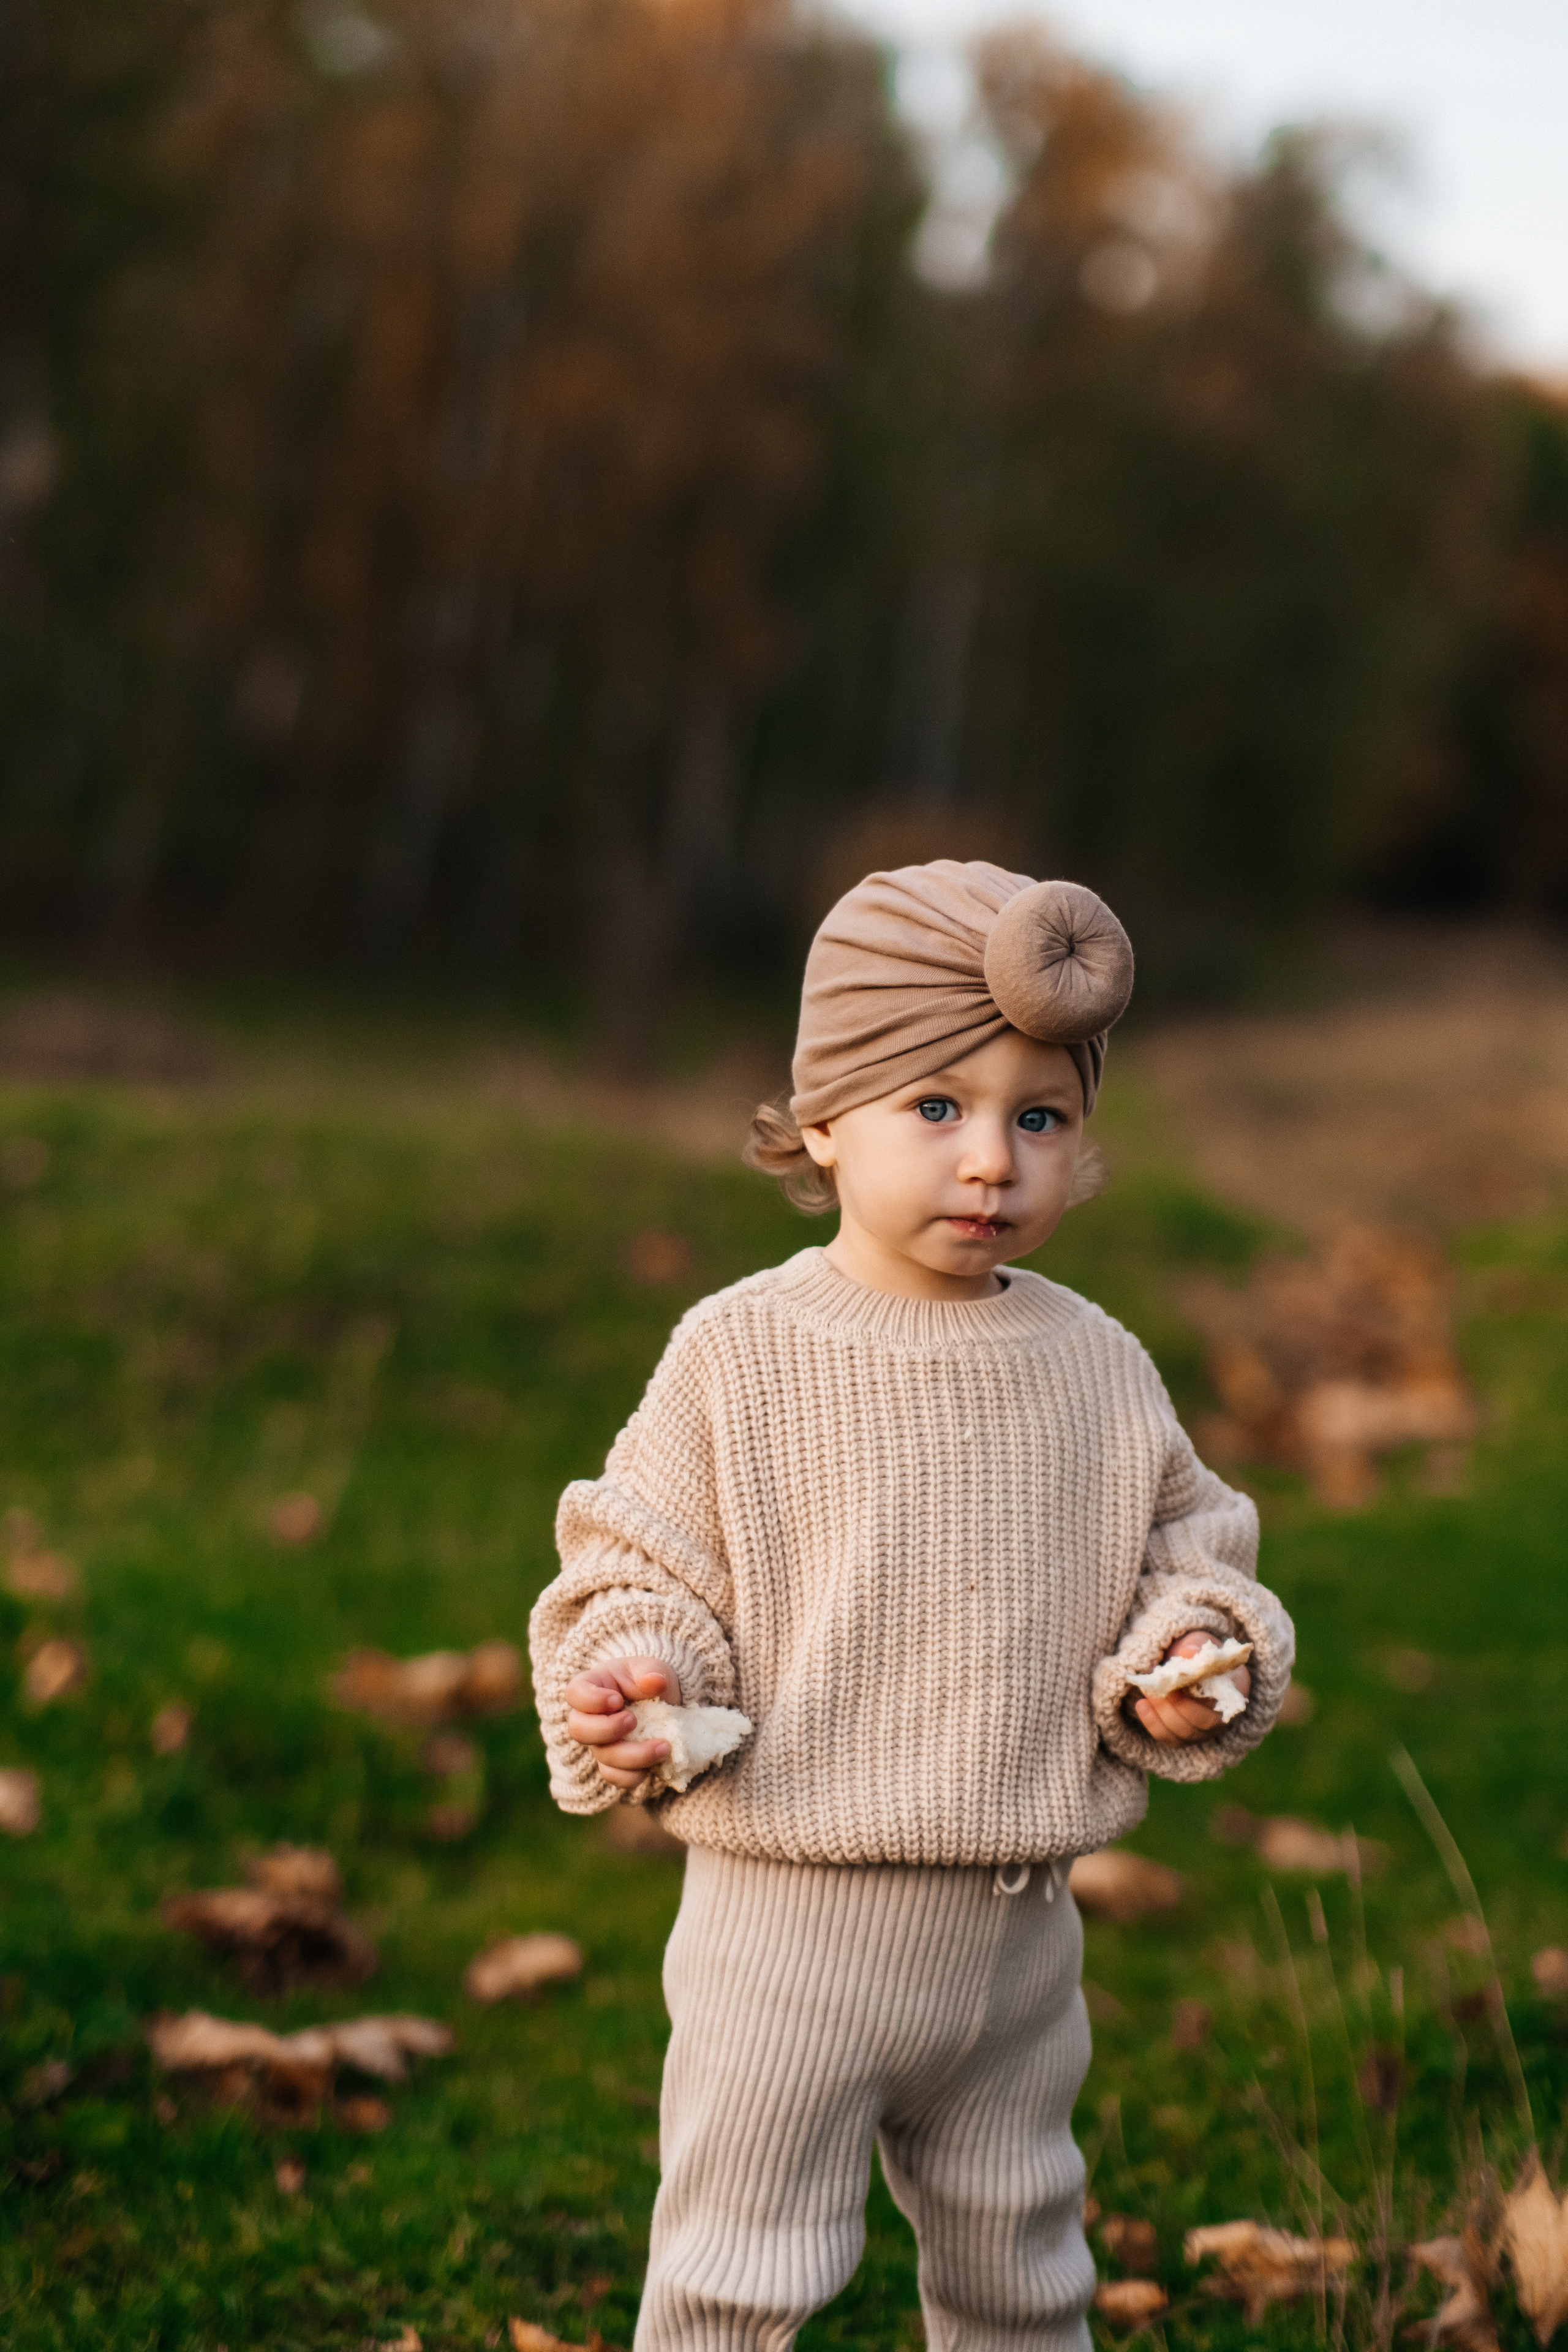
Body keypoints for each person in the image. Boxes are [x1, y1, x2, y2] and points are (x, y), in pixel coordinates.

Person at [529, 861, 1294, 2352]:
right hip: (788, 1935)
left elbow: (1193, 1549)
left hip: (1015, 1945)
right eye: (934, 1108)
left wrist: (1185, 1654)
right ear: (820, 1120)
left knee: (1026, 2273)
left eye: (1039, 1117)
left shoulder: (1095, 1363)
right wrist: (639, 1670)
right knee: (735, 2279)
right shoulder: (741, 1353)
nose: (990, 1161)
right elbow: (641, 1559)